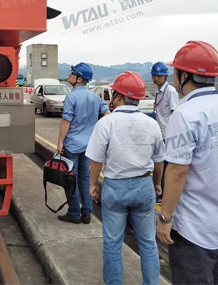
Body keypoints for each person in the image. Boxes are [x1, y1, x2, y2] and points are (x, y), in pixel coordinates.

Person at [156, 40, 218, 285]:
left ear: (185, 76)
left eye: (175, 71)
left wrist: (165, 218)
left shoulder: (186, 113)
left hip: (195, 230)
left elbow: (177, 171)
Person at [87, 71, 165, 285]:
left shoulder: (106, 123)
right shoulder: (151, 123)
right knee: (148, 243)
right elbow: (159, 161)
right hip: (144, 185)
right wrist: (157, 184)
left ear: (119, 96)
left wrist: (93, 185)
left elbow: (96, 160)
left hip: (115, 187)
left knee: (112, 244)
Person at [55, 62, 108, 224]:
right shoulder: (94, 97)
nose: (69, 75)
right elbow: (107, 114)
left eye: (72, 73)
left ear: (79, 79)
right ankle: (87, 213)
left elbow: (66, 121)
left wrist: (60, 142)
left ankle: (74, 213)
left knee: (71, 179)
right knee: (85, 178)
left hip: (72, 145)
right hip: (89, 146)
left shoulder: (71, 96)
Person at [151, 60, 180, 201]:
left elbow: (175, 113)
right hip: (160, 133)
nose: (156, 78)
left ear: (166, 77)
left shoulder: (170, 91)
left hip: (168, 134)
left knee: (165, 165)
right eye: (154, 75)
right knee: (159, 163)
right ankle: (159, 191)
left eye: (159, 76)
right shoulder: (158, 90)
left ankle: (162, 194)